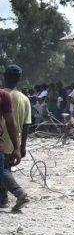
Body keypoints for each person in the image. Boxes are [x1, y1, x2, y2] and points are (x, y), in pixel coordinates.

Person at [1, 65, 29, 212]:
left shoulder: (3, 95)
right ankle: (2, 199)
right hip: (13, 141)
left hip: (3, 140)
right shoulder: (24, 99)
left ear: (4, 77)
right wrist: (21, 146)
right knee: (5, 169)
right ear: (19, 79)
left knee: (3, 169)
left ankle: (17, 193)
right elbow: (26, 125)